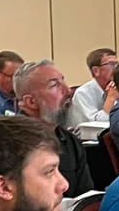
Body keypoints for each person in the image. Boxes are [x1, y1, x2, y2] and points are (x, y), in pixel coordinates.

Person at [13, 59, 94, 198]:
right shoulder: (8, 145)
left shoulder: (70, 142)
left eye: (63, 81)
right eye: (54, 85)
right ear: (31, 101)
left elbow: (84, 198)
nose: (68, 91)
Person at [65, 48, 119, 129]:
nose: (116, 68)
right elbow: (96, 125)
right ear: (96, 71)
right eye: (111, 64)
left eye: (117, 64)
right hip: (84, 139)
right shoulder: (83, 93)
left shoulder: (116, 88)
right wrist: (111, 98)